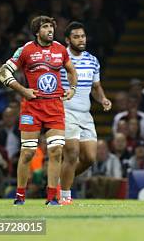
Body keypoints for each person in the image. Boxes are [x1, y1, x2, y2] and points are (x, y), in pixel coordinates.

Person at [0, 15, 77, 205]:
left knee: (57, 150)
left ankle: (52, 198)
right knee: (28, 152)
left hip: (55, 106)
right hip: (32, 107)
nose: (50, 30)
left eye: (51, 27)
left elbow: (71, 70)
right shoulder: (25, 50)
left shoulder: (60, 50)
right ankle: (20, 197)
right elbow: (3, 72)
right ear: (36, 31)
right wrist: (23, 90)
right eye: (45, 27)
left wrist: (72, 89)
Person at [59, 22, 112, 205]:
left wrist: (103, 99)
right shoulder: (60, 59)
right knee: (72, 153)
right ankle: (64, 196)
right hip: (65, 111)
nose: (81, 40)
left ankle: (57, 181)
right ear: (67, 40)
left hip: (85, 114)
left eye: (83, 36)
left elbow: (95, 87)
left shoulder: (92, 60)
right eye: (76, 37)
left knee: (89, 158)